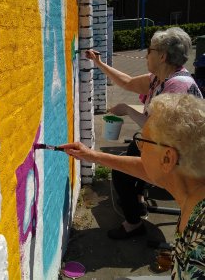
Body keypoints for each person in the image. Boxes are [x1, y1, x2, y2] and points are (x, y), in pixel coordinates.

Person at [60, 93, 205, 279]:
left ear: (167, 158)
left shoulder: (200, 237)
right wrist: (92, 155)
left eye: (143, 141)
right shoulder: (189, 183)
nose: (139, 148)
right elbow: (145, 168)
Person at [85, 27, 203, 240]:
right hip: (154, 144)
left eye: (149, 50)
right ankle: (137, 199)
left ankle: (133, 223)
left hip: (176, 158)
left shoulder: (178, 85)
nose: (146, 55)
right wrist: (99, 63)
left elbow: (155, 131)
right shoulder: (158, 78)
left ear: (162, 55)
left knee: (121, 173)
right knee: (133, 154)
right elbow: (127, 82)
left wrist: (128, 110)